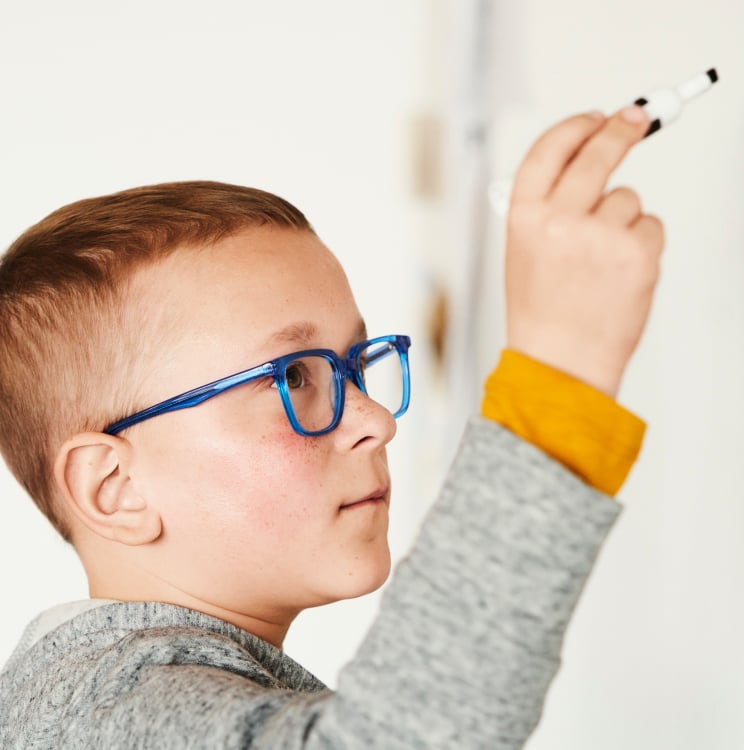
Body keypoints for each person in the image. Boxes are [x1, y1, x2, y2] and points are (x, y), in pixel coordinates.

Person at [0, 105, 661, 748]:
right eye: (293, 377)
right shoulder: (107, 709)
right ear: (115, 487)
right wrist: (558, 373)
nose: (375, 421)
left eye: (354, 367)